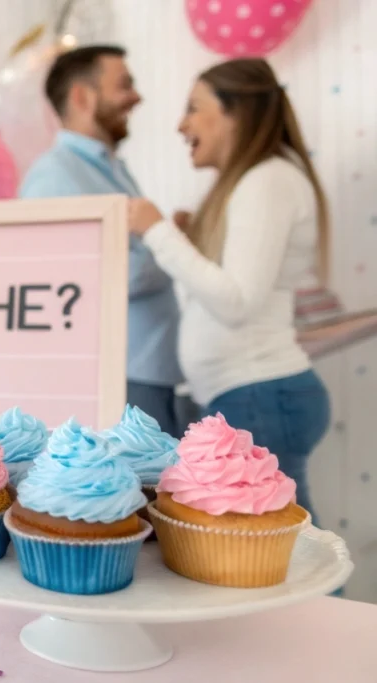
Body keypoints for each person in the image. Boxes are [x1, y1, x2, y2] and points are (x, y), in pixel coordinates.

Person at [128, 58, 331, 523]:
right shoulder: (257, 182)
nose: (182, 124)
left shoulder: (268, 180)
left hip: (260, 392)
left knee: (287, 553)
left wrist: (159, 233)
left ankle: (331, 600)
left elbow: (237, 303)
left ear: (234, 112)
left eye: (194, 108)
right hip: (253, 394)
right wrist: (187, 238)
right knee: (281, 549)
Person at [19, 45, 185, 438]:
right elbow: (92, 279)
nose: (136, 97)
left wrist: (164, 239)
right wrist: (172, 244)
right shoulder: (55, 178)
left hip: (147, 374)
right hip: (123, 379)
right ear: (82, 96)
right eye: (124, 85)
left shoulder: (107, 169)